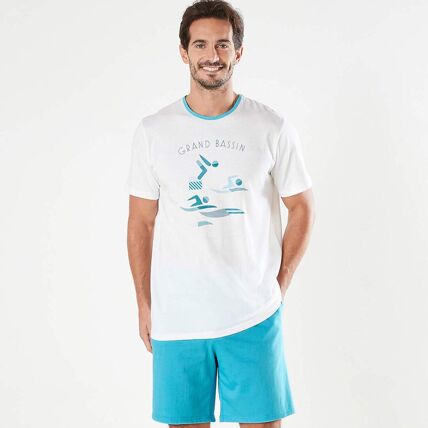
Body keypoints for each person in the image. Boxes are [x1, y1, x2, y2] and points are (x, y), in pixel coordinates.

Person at [126, 1, 316, 426]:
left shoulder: (271, 127)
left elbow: (302, 206)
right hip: (178, 319)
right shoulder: (154, 131)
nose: (212, 55)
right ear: (183, 52)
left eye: (222, 45)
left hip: (253, 314)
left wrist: (280, 283)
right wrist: (144, 303)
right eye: (200, 44)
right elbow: (141, 221)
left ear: (238, 52)